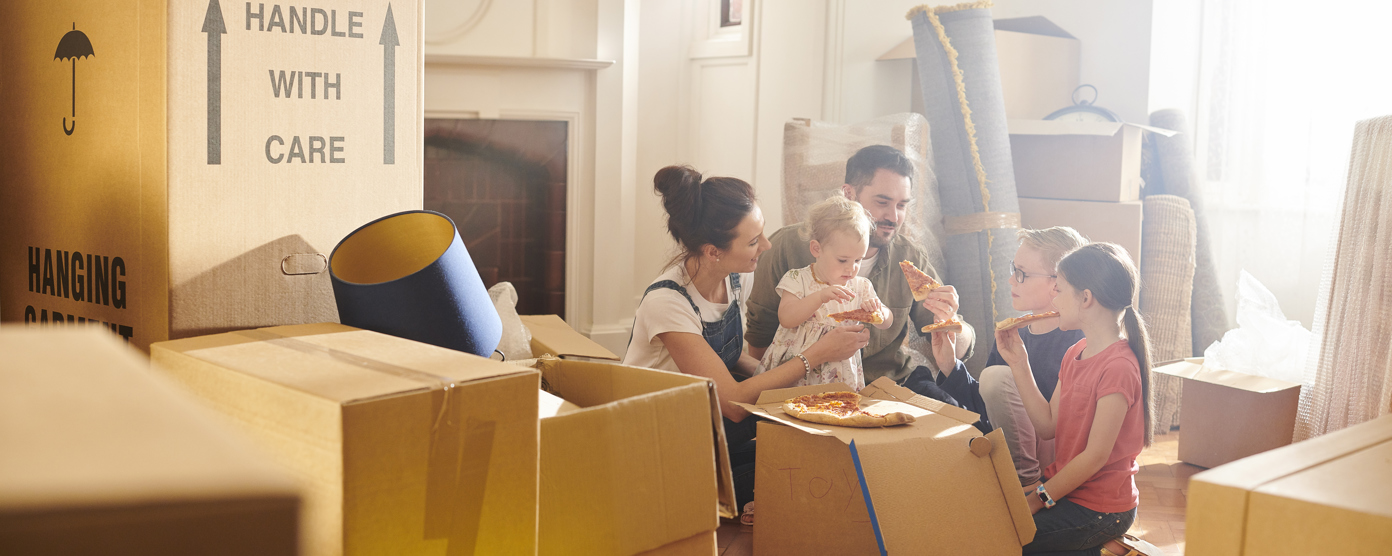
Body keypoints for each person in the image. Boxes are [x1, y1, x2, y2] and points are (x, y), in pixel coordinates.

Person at [623, 165, 870, 518]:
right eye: (754, 241)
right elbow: (736, 405)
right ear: (713, 252)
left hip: (704, 416)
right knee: (801, 464)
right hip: (659, 436)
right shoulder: (668, 303)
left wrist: (810, 378)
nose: (766, 246)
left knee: (817, 445)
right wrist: (813, 357)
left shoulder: (736, 279)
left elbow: (733, 357)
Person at [747, 145, 971, 400]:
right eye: (882, 202)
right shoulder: (786, 248)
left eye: (902, 205)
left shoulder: (910, 258)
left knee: (958, 420)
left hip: (891, 385)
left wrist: (951, 321)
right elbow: (759, 339)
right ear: (848, 194)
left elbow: (958, 344)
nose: (893, 217)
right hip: (804, 387)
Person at [996, 243, 1154, 556]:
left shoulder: (1119, 366)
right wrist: (1018, 363)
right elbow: (1046, 426)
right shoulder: (1074, 353)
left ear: (1085, 298)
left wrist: (1037, 498)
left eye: (1059, 290)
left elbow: (1095, 456)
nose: (1052, 298)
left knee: (1004, 539)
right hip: (1067, 494)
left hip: (1102, 510)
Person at [918, 227, 1088, 484]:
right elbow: (990, 408)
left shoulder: (1081, 341)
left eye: (1022, 274)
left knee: (996, 377)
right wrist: (950, 366)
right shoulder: (1012, 332)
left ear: (1057, 282)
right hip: (1017, 454)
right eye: (1013, 270)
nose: (1011, 280)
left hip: (1062, 466)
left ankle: (1025, 486)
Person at [758, 195, 894, 390]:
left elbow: (887, 322)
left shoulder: (861, 286)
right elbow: (787, 318)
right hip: (796, 374)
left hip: (840, 375)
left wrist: (880, 312)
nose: (851, 268)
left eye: (858, 260)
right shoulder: (798, 279)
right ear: (816, 249)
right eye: (842, 260)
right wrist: (820, 297)